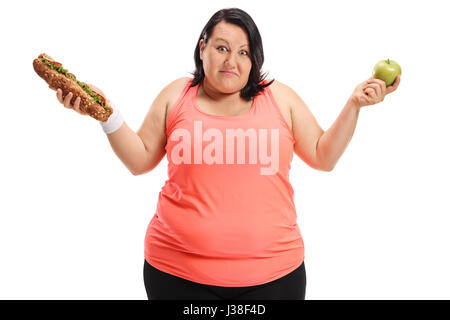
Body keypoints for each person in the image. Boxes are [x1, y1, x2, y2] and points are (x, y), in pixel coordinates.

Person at [51, 8, 400, 300]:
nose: (231, 60)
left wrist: (355, 104)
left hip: (275, 276)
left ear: (254, 60)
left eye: (243, 52)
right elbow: (140, 160)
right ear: (202, 48)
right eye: (221, 47)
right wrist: (105, 113)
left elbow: (323, 157)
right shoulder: (177, 95)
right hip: (176, 275)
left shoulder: (281, 99)